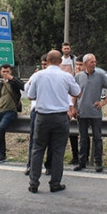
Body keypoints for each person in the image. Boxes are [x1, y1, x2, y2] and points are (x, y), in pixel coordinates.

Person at [27, 50, 81, 193]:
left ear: (48, 60)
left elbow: (31, 96)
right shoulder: (66, 76)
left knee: (37, 149)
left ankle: (34, 183)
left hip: (42, 117)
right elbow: (77, 92)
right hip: (60, 117)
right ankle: (55, 183)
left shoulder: (38, 75)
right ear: (60, 61)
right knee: (58, 151)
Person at [72, 53, 107, 173]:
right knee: (83, 138)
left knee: (97, 138)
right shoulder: (78, 76)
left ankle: (98, 163)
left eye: (95, 62)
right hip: (82, 112)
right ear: (86, 63)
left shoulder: (100, 76)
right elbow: (74, 93)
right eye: (92, 62)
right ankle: (82, 162)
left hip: (95, 112)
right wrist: (74, 108)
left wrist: (104, 102)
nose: (94, 64)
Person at [0, 64, 24, 163]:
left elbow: (24, 87)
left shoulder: (15, 82)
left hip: (11, 111)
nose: (5, 73)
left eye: (7, 71)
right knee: (0, 132)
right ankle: (1, 155)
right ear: (1, 72)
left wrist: (12, 78)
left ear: (10, 72)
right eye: (4, 72)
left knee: (1, 128)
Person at [24, 54, 52, 176]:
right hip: (37, 110)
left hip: (50, 111)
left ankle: (49, 166)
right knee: (34, 141)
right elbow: (26, 89)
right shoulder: (36, 75)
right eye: (43, 64)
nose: (45, 66)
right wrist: (33, 79)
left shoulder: (55, 76)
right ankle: (31, 165)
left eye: (47, 64)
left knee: (51, 141)